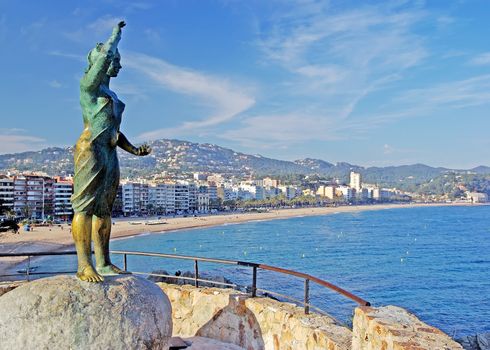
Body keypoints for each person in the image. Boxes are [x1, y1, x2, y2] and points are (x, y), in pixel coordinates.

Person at [71, 21, 151, 282]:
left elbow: (115, 130)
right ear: (102, 61)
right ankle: (85, 265)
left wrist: (133, 150)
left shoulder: (111, 93)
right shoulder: (89, 87)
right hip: (91, 150)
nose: (119, 64)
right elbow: (104, 54)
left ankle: (103, 262)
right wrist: (115, 38)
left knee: (104, 210)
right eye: (115, 59)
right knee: (83, 208)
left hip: (109, 152)